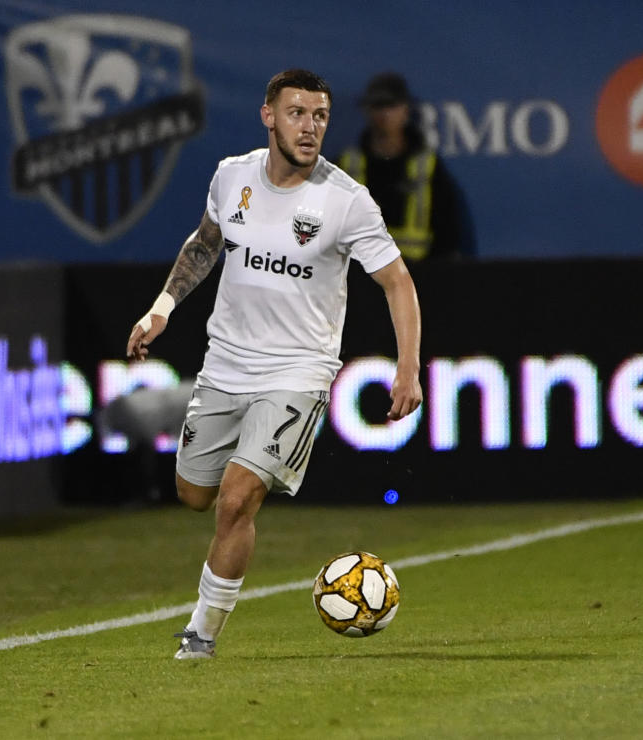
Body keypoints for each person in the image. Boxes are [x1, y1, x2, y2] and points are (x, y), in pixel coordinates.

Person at [125, 69, 423, 659]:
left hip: (297, 373)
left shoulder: (346, 200)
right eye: (297, 113)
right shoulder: (231, 176)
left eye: (320, 116)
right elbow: (206, 242)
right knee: (194, 494)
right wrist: (162, 308)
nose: (310, 127)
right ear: (268, 116)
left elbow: (398, 283)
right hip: (225, 365)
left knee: (237, 499)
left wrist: (408, 367)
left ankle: (201, 635)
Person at [338, 73, 472, 261]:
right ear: (367, 110)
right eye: (378, 105)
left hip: (419, 274)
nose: (384, 114)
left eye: (391, 105)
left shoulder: (428, 167)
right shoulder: (346, 165)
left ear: (406, 110)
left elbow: (447, 231)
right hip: (358, 277)